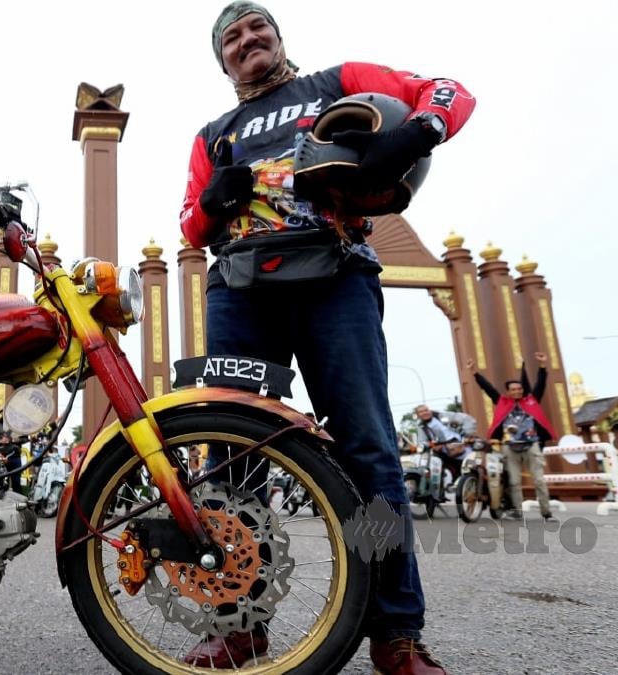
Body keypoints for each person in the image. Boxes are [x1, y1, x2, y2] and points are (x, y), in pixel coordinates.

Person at [179, 3, 474, 672]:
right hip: (240, 292)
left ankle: (396, 632)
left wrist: (422, 129)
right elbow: (190, 228)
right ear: (222, 59)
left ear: (278, 37)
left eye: (258, 27)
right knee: (230, 459)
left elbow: (449, 91)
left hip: (334, 275)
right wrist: (212, 202)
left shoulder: (336, 81)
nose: (247, 39)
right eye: (232, 37)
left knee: (368, 453)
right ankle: (239, 623)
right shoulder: (213, 133)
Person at [469, 352, 556, 521]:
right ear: (508, 392)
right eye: (513, 390)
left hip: (532, 445)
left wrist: (543, 366)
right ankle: (517, 510)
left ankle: (546, 512)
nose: (517, 391)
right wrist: (474, 372)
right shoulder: (502, 401)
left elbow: (541, 384)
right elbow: (487, 388)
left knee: (539, 480)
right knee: (514, 482)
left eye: (519, 389)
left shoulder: (532, 400)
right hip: (509, 446)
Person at [413, 404, 477, 480]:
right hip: (443, 451)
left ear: (429, 410)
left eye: (426, 410)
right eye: (421, 412)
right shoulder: (421, 427)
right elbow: (422, 442)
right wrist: (432, 446)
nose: (424, 413)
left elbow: (467, 419)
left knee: (472, 467)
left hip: (460, 445)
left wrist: (468, 434)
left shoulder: (444, 416)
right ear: (418, 415)